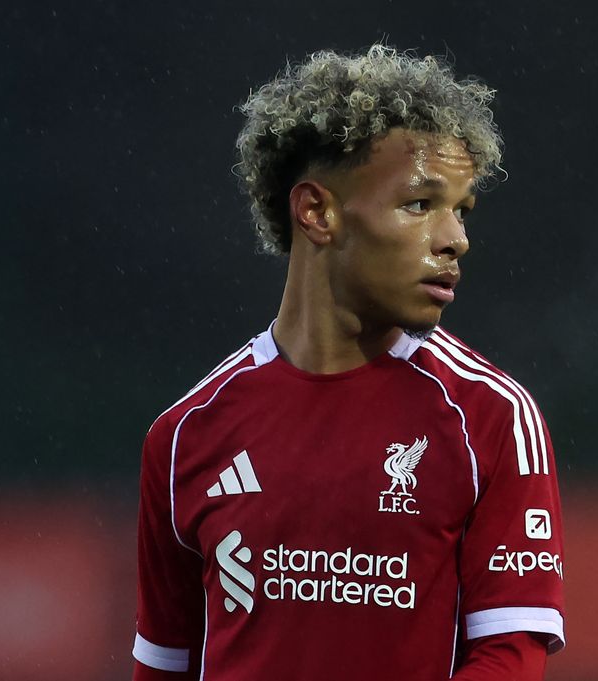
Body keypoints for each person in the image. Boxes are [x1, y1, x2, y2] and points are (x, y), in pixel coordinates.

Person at [132, 44, 566, 681]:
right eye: (421, 205)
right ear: (317, 212)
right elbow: (164, 667)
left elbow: (510, 658)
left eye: (461, 210)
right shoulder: (184, 436)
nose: (456, 239)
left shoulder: (490, 418)